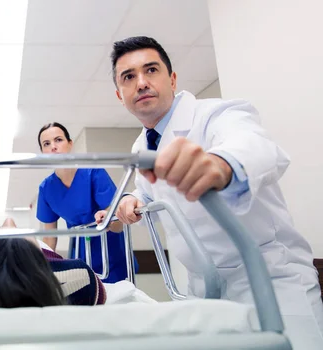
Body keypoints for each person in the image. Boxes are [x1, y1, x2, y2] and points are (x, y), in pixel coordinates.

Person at [111, 36, 323, 348]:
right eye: (129, 77)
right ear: (120, 95)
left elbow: (254, 146)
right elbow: (150, 190)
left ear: (171, 79)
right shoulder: (142, 144)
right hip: (204, 290)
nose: (141, 82)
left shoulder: (219, 114)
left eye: (151, 70)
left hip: (269, 280)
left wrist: (220, 165)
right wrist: (133, 199)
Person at [35, 122, 135, 283]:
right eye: (46, 144)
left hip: (110, 250)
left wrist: (108, 220)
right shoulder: (46, 188)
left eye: (58, 140)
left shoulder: (93, 173)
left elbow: (117, 222)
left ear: (70, 143)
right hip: (80, 252)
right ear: (42, 152)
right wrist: (41, 268)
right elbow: (49, 237)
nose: (53, 146)